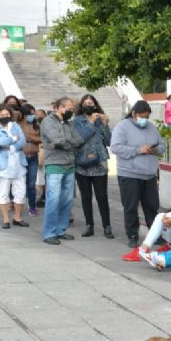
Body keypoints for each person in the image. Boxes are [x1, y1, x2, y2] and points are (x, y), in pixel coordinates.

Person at [110, 100, 166, 249]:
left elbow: (162, 145)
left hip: (149, 175)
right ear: (134, 114)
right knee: (131, 206)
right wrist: (138, 150)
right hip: (130, 174)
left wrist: (156, 149)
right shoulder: (122, 127)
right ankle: (132, 235)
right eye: (142, 116)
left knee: (152, 206)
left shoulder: (152, 127)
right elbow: (115, 147)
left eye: (147, 117)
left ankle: (155, 234)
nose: (145, 120)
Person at [40, 97, 84, 245]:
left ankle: (61, 230)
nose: (71, 112)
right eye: (69, 109)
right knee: (53, 200)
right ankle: (49, 233)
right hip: (55, 165)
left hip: (70, 165)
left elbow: (79, 140)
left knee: (67, 200)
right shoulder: (48, 122)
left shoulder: (69, 124)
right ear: (59, 107)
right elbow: (56, 140)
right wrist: (63, 142)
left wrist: (63, 143)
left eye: (72, 110)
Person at [73, 94, 114, 239]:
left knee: (102, 196)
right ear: (82, 105)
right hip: (82, 164)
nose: (89, 105)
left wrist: (105, 124)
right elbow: (79, 139)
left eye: (91, 103)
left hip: (99, 164)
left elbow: (109, 141)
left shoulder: (100, 120)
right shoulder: (77, 121)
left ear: (95, 105)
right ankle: (89, 225)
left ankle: (107, 226)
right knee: (86, 197)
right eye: (86, 103)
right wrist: (91, 123)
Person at [0, 105, 29, 229]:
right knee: (3, 192)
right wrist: (13, 138)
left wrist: (11, 145)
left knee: (20, 192)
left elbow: (22, 141)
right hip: (3, 165)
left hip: (19, 164)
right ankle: (5, 219)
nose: (5, 117)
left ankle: (17, 217)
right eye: (2, 115)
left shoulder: (15, 126)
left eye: (7, 115)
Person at [18, 104, 42, 216]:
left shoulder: (36, 124)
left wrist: (31, 138)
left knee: (31, 184)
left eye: (33, 113)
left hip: (33, 156)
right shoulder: (17, 124)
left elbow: (42, 138)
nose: (32, 115)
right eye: (30, 114)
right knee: (19, 183)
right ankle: (16, 203)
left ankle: (32, 206)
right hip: (21, 156)